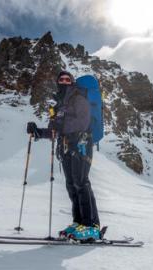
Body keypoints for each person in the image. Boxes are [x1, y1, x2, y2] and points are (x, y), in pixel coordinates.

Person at [27, 71, 100, 240]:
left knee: (81, 182)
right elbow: (54, 131)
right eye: (61, 79)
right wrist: (38, 131)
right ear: (58, 82)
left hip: (81, 143)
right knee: (71, 184)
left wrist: (61, 128)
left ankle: (90, 226)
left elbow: (83, 122)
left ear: (72, 82)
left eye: (68, 79)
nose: (65, 81)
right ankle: (78, 222)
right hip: (66, 147)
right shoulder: (59, 106)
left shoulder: (78, 98)